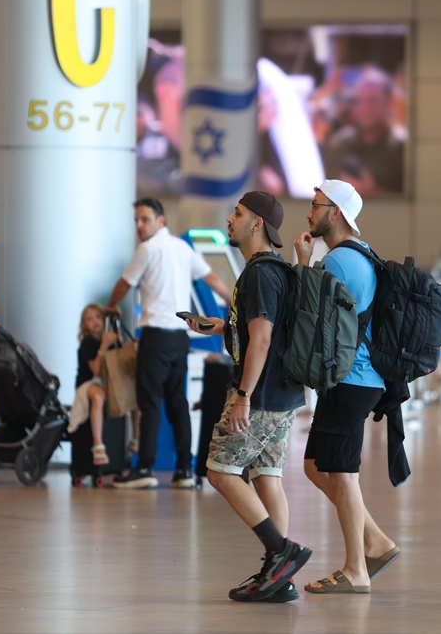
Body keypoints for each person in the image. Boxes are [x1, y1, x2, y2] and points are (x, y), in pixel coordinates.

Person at [186, 191, 311, 602]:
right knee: (266, 476)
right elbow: (258, 334)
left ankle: (281, 552)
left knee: (220, 471)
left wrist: (243, 396)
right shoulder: (277, 271)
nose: (230, 218)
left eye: (237, 213)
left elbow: (262, 340)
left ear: (256, 224)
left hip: (259, 394)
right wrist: (223, 327)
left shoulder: (259, 274)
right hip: (284, 393)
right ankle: (279, 579)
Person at [293, 179, 400, 594]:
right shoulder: (360, 253)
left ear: (335, 212)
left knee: (342, 473)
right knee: (315, 466)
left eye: (316, 205)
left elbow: (306, 316)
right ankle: (375, 541)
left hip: (351, 379)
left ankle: (357, 569)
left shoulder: (338, 261)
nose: (309, 212)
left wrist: (303, 263)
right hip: (357, 379)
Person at [106, 198, 231, 489]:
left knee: (149, 402)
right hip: (179, 338)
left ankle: (144, 468)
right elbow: (211, 276)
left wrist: (111, 305)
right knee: (178, 403)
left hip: (155, 336)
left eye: (145, 219)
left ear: (160, 221)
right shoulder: (182, 248)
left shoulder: (147, 249)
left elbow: (125, 284)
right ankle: (184, 470)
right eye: (137, 220)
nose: (139, 226)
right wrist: (233, 300)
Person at [321, 67, 405, 195]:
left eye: (372, 101)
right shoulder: (339, 144)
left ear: (389, 101)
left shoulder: (402, 148)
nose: (364, 108)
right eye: (359, 101)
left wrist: (373, 193)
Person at [71, 304, 121, 465]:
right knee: (98, 397)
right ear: (84, 325)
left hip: (104, 383)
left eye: (98, 317)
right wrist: (103, 346)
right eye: (89, 319)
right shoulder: (88, 342)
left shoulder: (108, 339)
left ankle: (136, 439)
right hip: (87, 383)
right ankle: (98, 444)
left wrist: (117, 338)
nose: (95, 321)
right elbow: (94, 370)